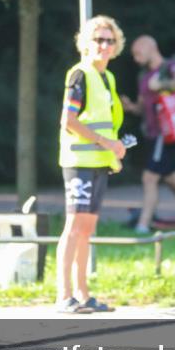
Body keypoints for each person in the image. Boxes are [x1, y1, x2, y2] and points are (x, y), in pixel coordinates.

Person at [56, 15, 126, 314]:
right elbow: (68, 120)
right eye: (98, 39)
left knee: (87, 229)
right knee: (73, 227)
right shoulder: (79, 75)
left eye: (110, 40)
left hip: (99, 162)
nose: (104, 45)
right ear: (86, 43)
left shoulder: (107, 77)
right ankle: (64, 296)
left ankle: (83, 295)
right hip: (79, 162)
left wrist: (114, 146)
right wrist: (106, 142)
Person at [119, 35, 175, 234]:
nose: (136, 58)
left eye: (138, 53)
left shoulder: (168, 67)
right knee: (174, 180)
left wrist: (161, 84)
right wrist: (131, 107)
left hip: (166, 133)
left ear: (149, 47)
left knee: (149, 177)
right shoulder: (143, 76)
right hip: (152, 134)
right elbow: (142, 106)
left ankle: (143, 225)